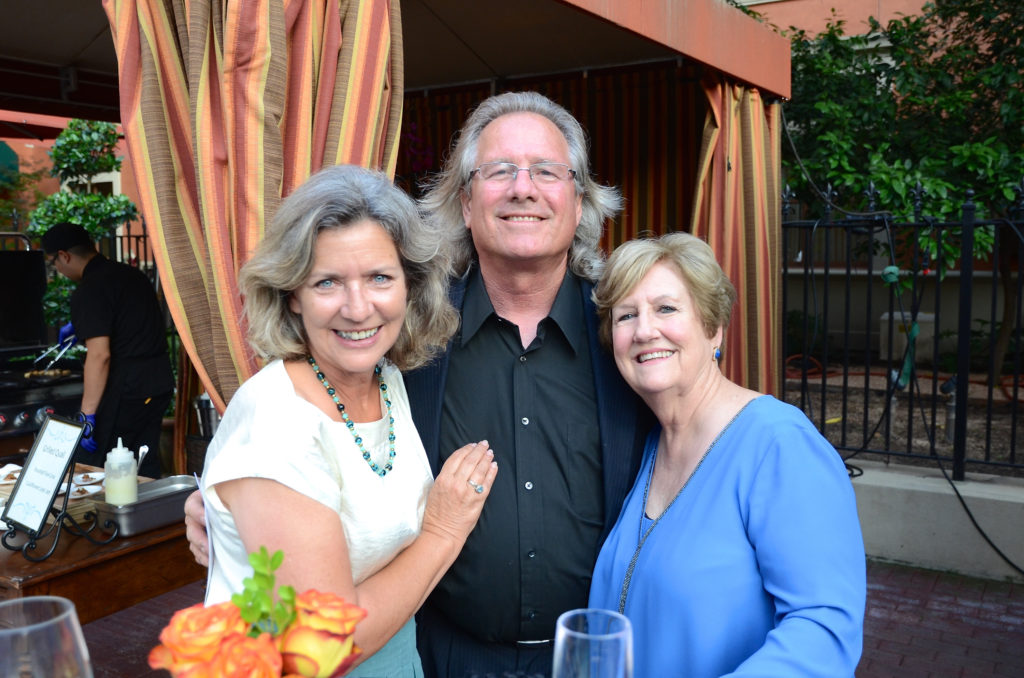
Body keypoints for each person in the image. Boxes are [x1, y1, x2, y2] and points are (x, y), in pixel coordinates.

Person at [186, 92, 652, 677]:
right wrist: (230, 505)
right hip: (440, 655)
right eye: (499, 170)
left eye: (546, 171)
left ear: (578, 197)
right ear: (464, 197)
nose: (522, 188)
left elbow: (695, 448)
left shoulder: (631, 334)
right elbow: (299, 438)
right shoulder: (409, 341)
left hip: (590, 654)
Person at [200, 165, 498, 677]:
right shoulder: (277, 420)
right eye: (328, 282)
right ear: (293, 293)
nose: (358, 309)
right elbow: (326, 648)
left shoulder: (387, 379)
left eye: (379, 277)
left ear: (410, 284)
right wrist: (444, 531)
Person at [588, 232, 866, 677]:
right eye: (626, 315)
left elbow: (824, 629)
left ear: (713, 327)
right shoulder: (649, 447)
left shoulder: (778, 444)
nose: (644, 330)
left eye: (666, 308)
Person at [41, 221, 173, 478]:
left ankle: (117, 517)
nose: (56, 269)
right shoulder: (130, 275)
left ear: (64, 256)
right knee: (144, 461)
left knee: (109, 467)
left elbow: (100, 355)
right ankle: (154, 515)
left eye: (53, 262)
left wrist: (87, 414)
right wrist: (81, 326)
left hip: (128, 391)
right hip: (157, 383)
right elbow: (129, 324)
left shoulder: (90, 289)